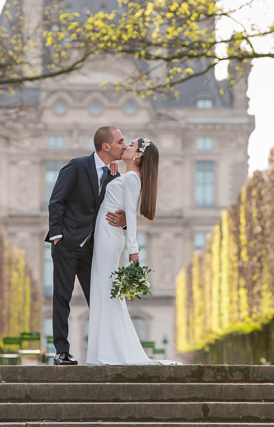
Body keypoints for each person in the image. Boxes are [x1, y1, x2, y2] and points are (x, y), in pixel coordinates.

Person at [86, 137, 176, 365]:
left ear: (138, 156)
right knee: (102, 291)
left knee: (106, 292)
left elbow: (131, 216)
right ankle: (103, 351)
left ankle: (109, 352)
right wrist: (113, 174)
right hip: (106, 234)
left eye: (131, 145)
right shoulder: (127, 176)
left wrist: (133, 251)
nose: (125, 146)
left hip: (109, 237)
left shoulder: (133, 179)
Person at [45, 125, 126, 365]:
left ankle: (105, 350)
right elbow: (57, 200)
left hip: (94, 249)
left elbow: (115, 210)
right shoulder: (77, 166)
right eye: (120, 141)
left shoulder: (115, 176)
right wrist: (58, 234)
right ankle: (61, 352)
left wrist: (124, 221)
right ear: (106, 146)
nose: (124, 145)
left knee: (99, 298)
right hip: (67, 244)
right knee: (62, 297)